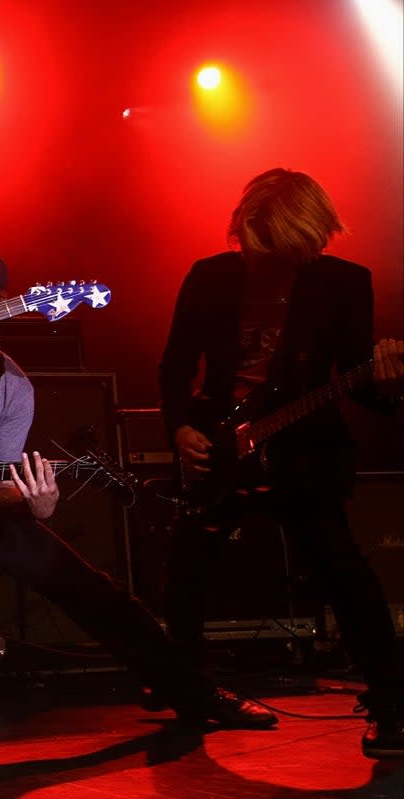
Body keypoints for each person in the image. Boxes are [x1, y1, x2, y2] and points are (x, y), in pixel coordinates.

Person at [0, 248, 278, 730]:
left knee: (92, 589)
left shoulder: (13, 387)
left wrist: (30, 503)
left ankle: (194, 693)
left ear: (1, 312)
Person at [158, 167, 404, 758]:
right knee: (186, 570)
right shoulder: (210, 277)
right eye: (251, 245)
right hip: (220, 445)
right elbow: (173, 368)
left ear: (306, 237)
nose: (259, 259)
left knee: (345, 573)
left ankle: (394, 704)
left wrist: (390, 380)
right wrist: (182, 429)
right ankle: (186, 688)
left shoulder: (344, 283)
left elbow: (358, 384)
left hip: (302, 450)